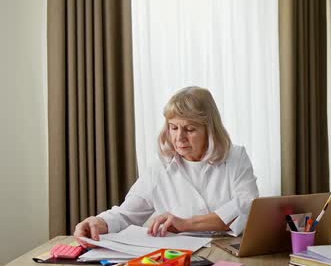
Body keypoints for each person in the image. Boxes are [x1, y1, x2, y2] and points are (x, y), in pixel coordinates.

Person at [74, 86, 259, 247]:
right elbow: (127, 213)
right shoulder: (160, 167)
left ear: (210, 130)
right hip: (179, 257)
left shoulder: (235, 157)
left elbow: (247, 207)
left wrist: (185, 224)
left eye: (190, 129)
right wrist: (98, 222)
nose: (179, 138)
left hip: (230, 252)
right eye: (173, 127)